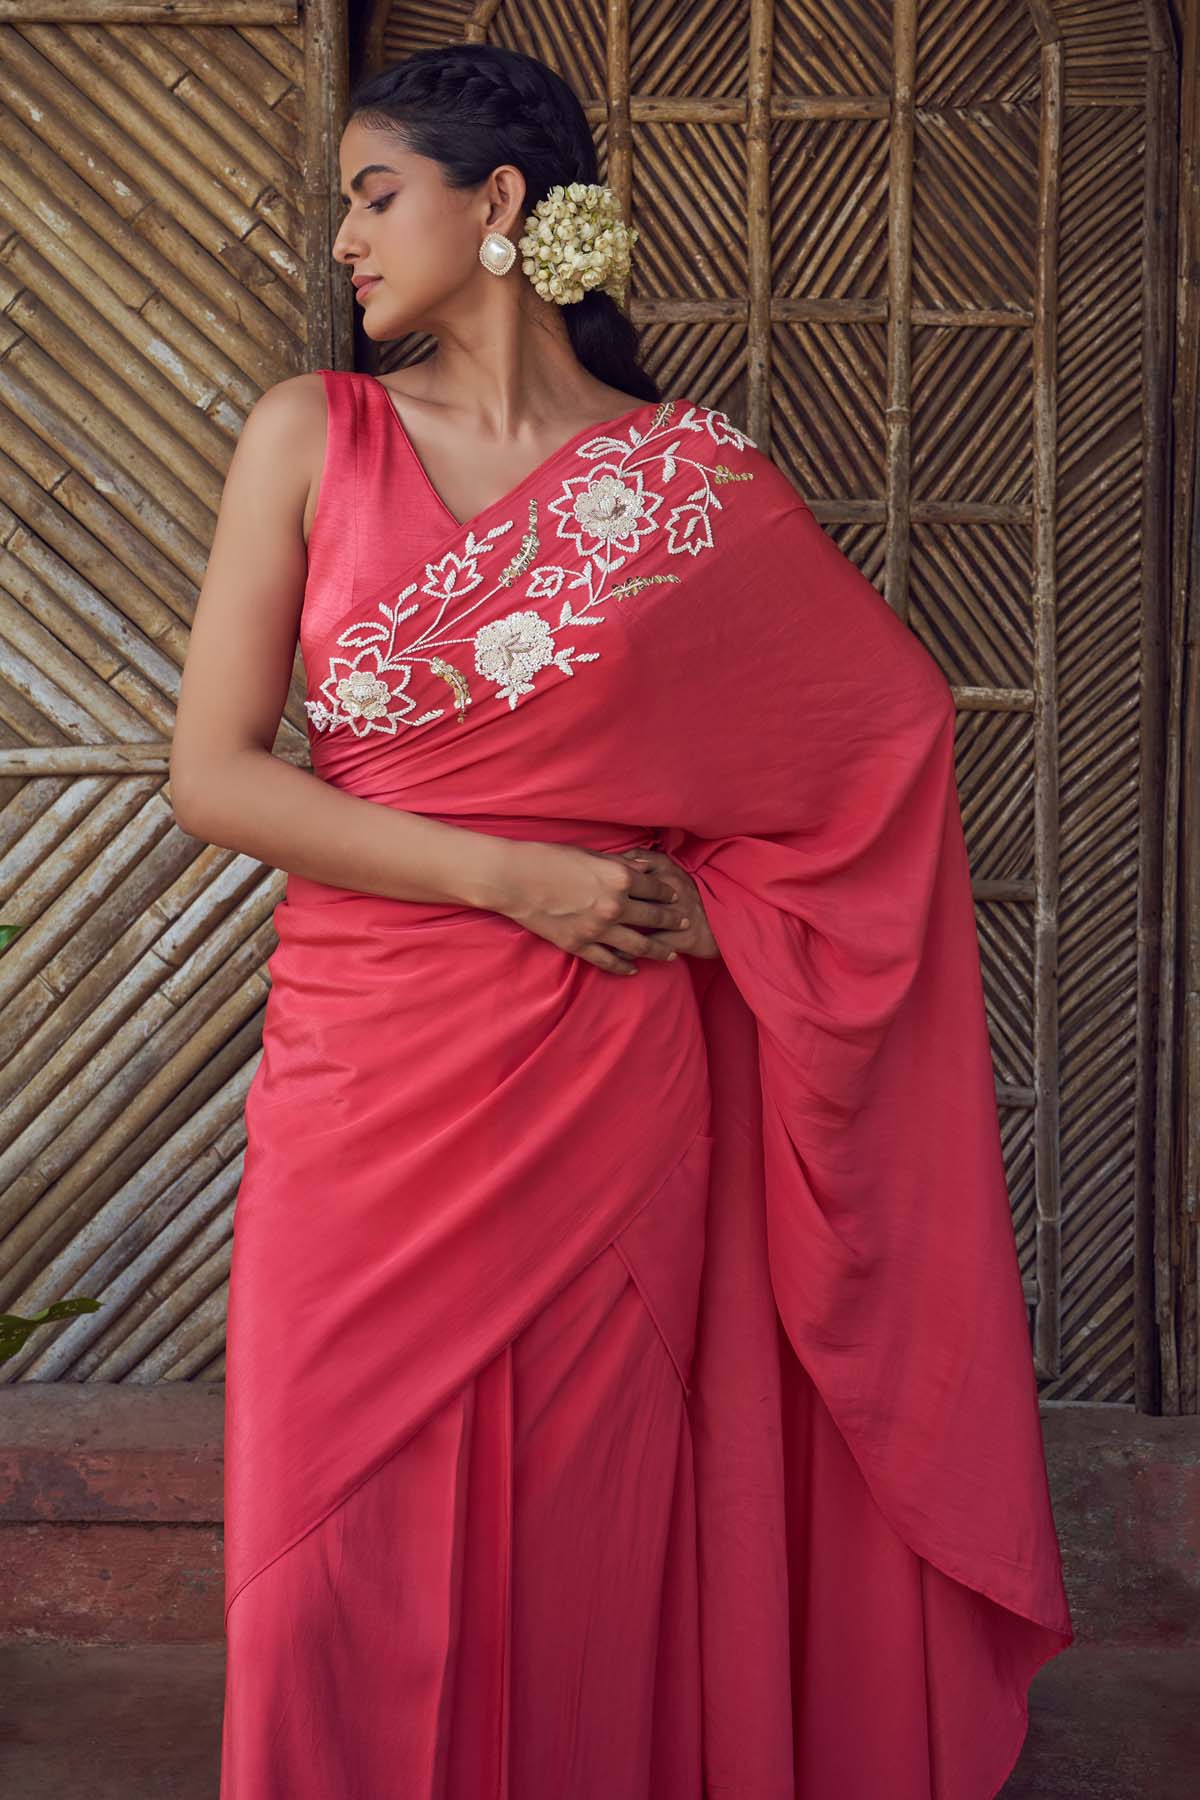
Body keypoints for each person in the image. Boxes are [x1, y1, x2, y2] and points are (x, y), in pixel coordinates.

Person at [170, 41, 1074, 1800]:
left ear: (498, 203)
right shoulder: (315, 433)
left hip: (604, 1093)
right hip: (366, 1079)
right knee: (320, 1574)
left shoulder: (686, 486)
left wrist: (720, 924)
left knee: (587, 1555)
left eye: (375, 195)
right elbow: (216, 777)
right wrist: (523, 877)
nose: (346, 240)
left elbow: (885, 739)